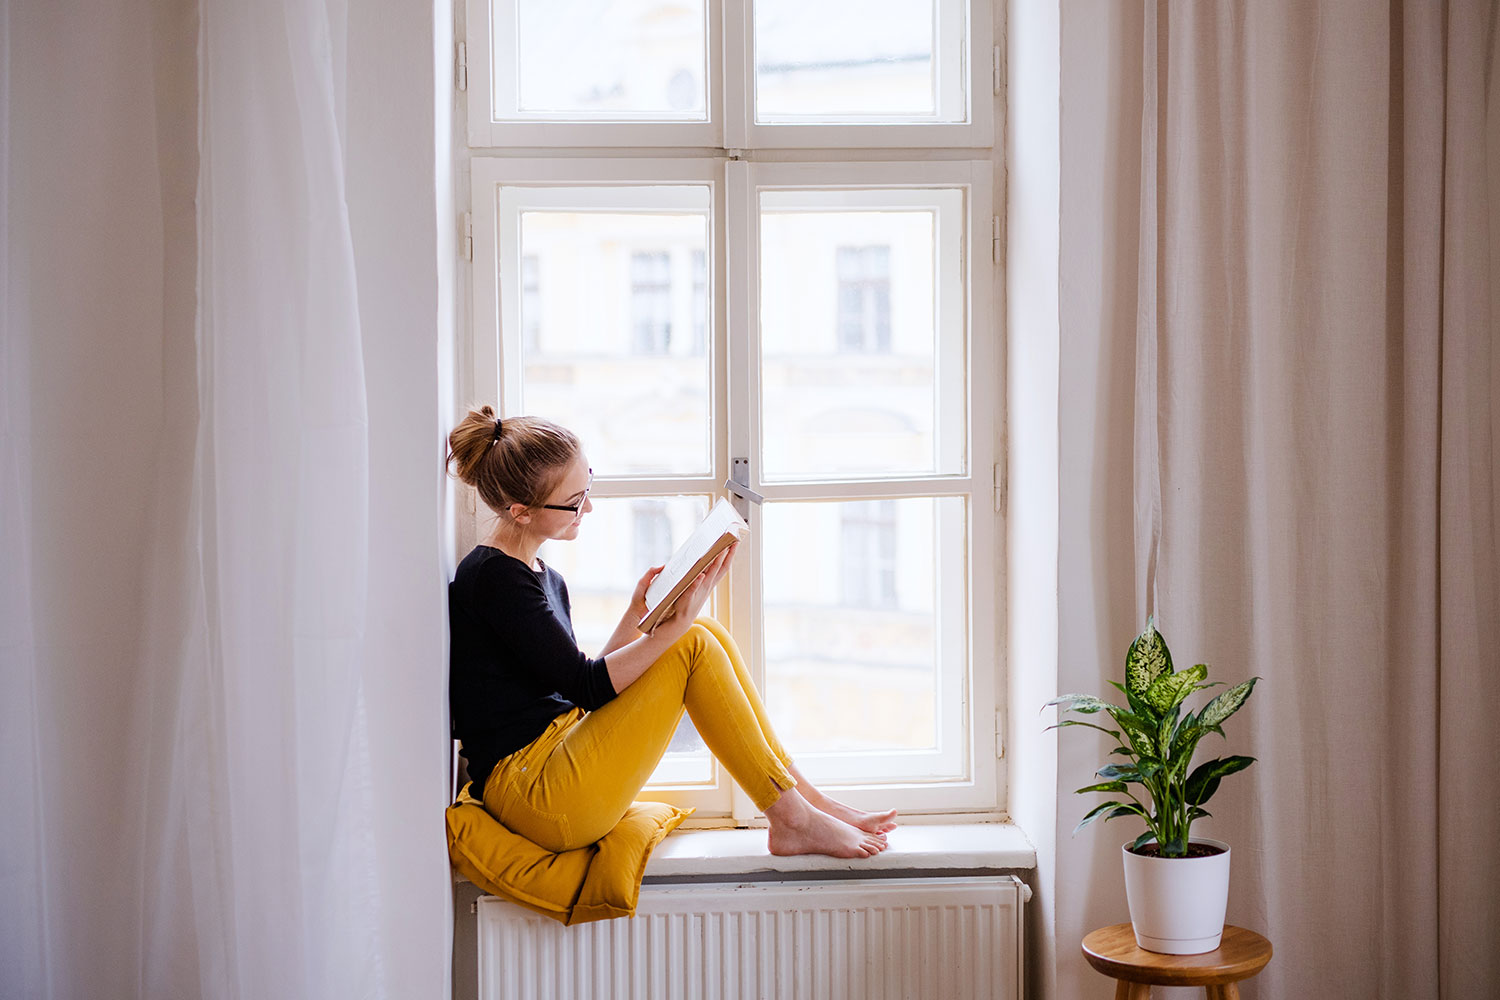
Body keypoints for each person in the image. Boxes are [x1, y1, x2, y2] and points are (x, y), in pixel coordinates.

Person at [447, 407, 896, 859]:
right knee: (692, 640)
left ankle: (808, 802)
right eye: (575, 500)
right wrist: (670, 630)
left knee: (705, 631)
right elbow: (586, 686)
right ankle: (793, 818)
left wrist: (636, 613)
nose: (589, 507)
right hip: (535, 796)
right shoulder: (493, 579)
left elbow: (572, 688)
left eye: (589, 487)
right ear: (521, 512)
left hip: (551, 759)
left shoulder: (539, 573)